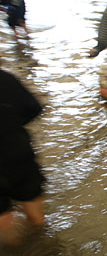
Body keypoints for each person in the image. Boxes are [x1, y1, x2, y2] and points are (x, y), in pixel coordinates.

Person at [0, 68, 45, 245]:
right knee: (33, 205)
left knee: (3, 214)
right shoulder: (5, 78)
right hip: (16, 150)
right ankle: (44, 244)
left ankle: (17, 247)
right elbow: (34, 108)